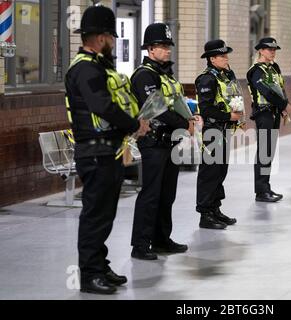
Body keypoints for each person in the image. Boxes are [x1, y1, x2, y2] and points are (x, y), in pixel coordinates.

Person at [65, 5, 150, 294]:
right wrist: (133, 124)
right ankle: (89, 275)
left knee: (105, 214)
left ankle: (99, 265)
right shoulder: (86, 69)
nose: (113, 43)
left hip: (107, 151)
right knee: (96, 215)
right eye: (111, 38)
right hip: (95, 153)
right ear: (101, 38)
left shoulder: (96, 66)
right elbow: (102, 106)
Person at [130, 23, 197, 260]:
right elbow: (157, 109)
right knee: (150, 194)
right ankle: (140, 245)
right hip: (153, 142)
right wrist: (183, 123)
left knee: (167, 194)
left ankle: (161, 239)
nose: (167, 50)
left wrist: (190, 116)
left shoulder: (164, 74)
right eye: (161, 46)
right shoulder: (144, 75)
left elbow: (174, 101)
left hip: (169, 142)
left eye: (168, 46)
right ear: (150, 49)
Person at [195, 39, 242, 229]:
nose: (226, 58)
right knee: (210, 172)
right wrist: (228, 115)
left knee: (221, 171)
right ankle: (205, 214)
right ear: (212, 59)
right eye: (222, 56)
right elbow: (205, 109)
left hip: (224, 130)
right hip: (213, 131)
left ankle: (215, 208)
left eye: (226, 55)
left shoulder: (224, 76)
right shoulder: (207, 79)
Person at [247, 37, 291, 202]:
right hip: (263, 113)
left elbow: (279, 88)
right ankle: (261, 191)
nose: (272, 52)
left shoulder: (274, 68)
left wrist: (282, 107)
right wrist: (285, 105)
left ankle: (266, 187)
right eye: (269, 49)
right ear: (260, 50)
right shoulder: (255, 71)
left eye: (274, 49)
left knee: (270, 151)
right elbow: (267, 92)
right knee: (264, 152)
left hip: (274, 112)